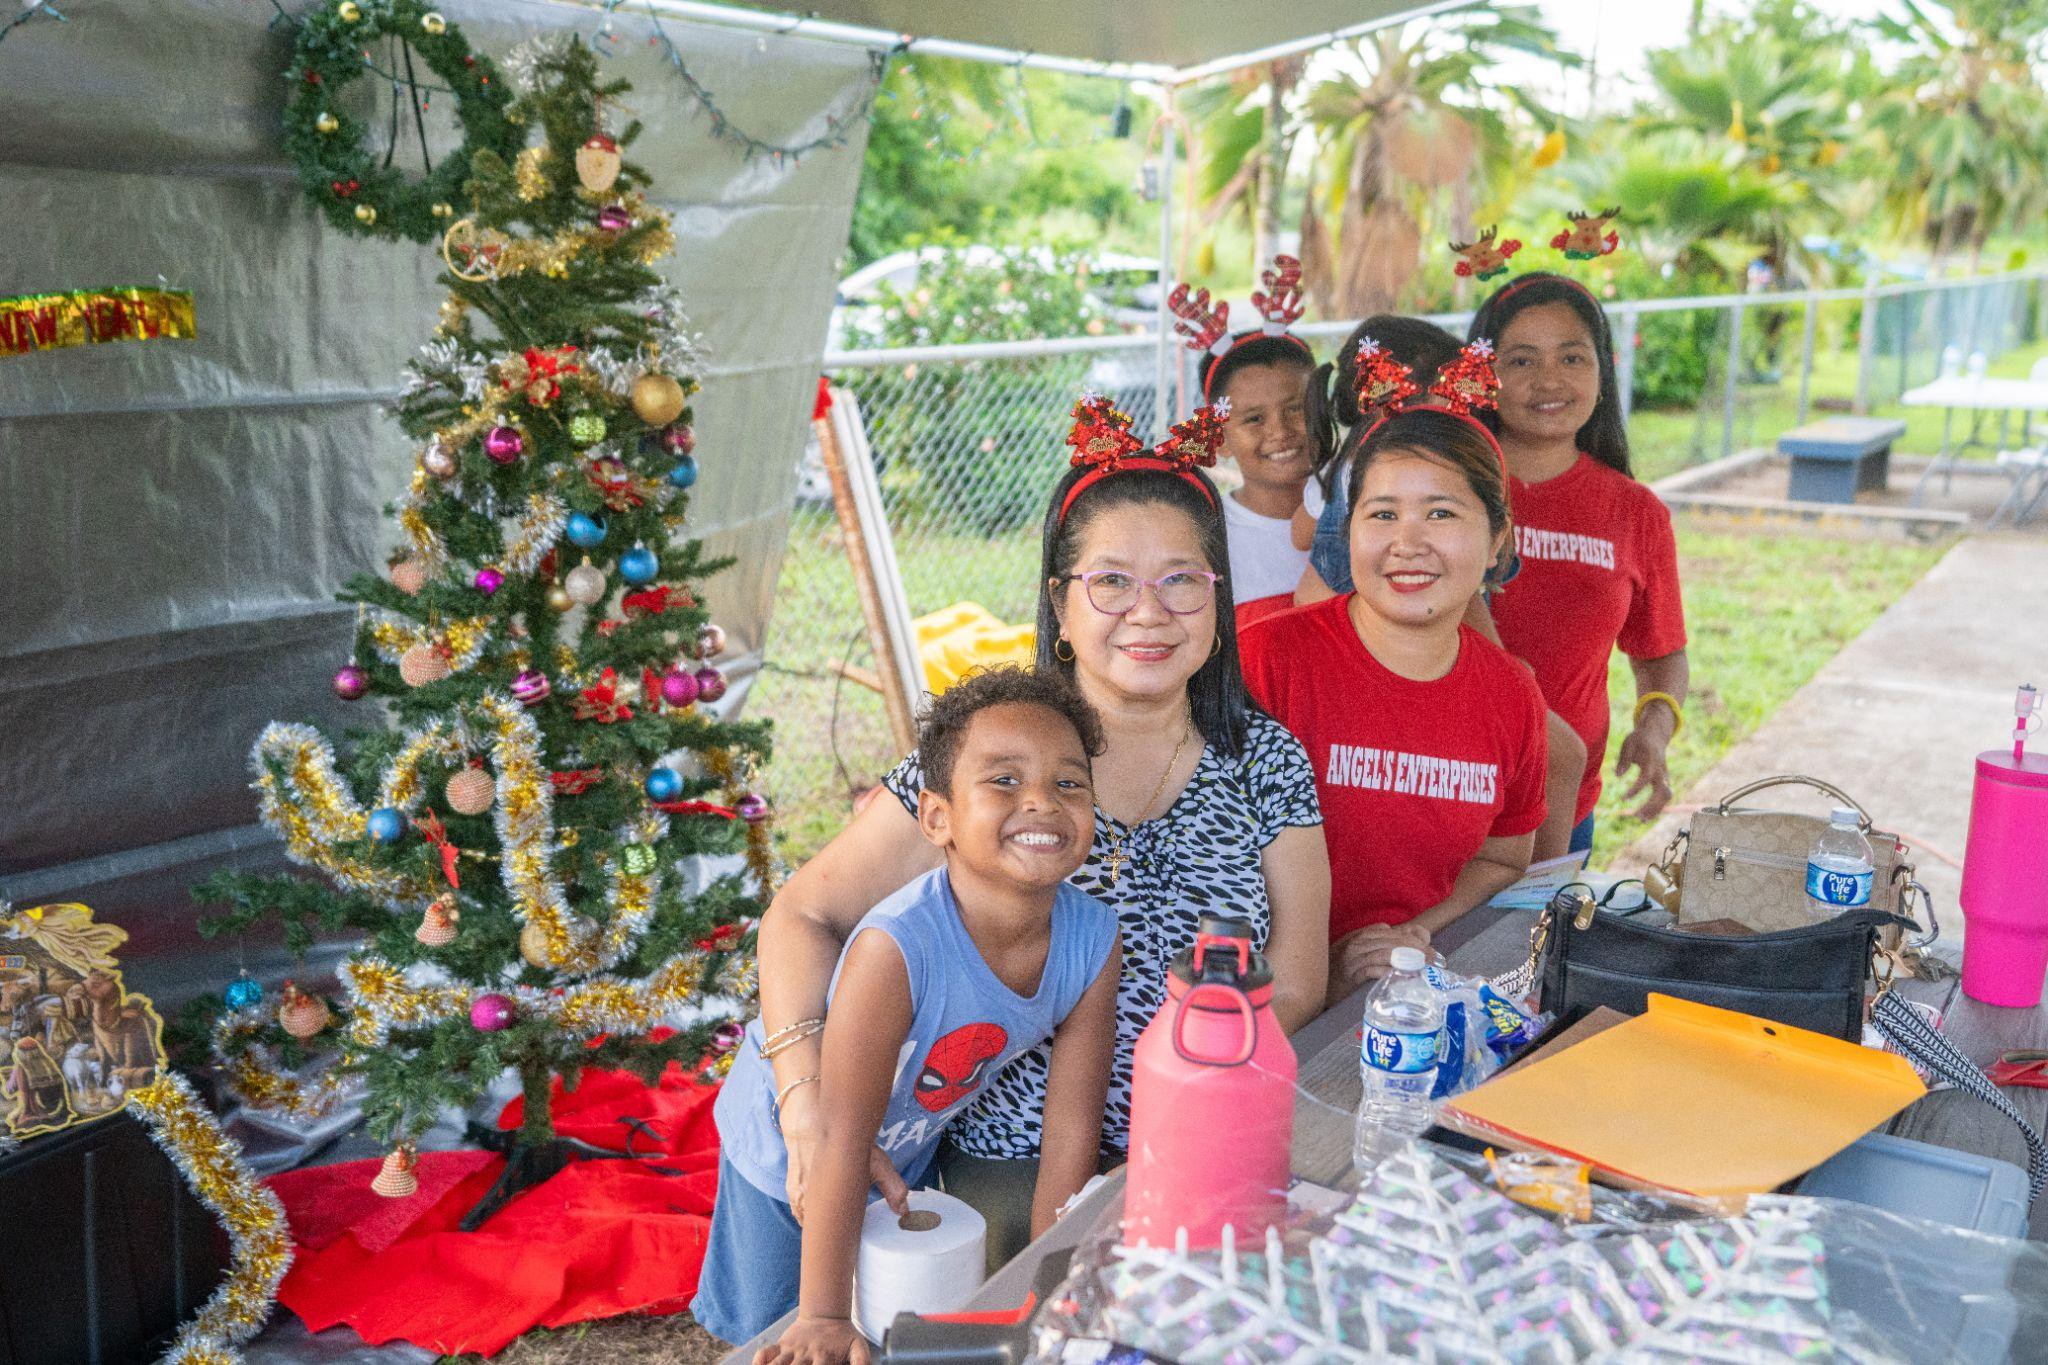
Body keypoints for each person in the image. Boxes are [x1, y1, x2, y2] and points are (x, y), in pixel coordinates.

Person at [757, 395, 1329, 1272]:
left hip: (1205, 1132)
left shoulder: (1267, 758)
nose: (1149, 610)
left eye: (1182, 579)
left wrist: (1183, 1110)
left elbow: (1297, 977)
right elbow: (803, 915)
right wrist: (808, 1109)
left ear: (1219, 604)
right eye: (1111, 581)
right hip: (1001, 1159)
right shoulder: (995, 761)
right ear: (1060, 605)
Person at [693, 668, 1122, 1359]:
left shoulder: (1093, 940)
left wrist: (1053, 1288)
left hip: (907, 1143)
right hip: (793, 1146)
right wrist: (826, 1316)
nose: (1042, 800)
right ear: (935, 817)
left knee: (892, 1314)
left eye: (1069, 783)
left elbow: (1070, 1135)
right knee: (780, 1329)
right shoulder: (896, 947)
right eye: (1004, 781)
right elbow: (836, 1135)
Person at [1241, 355, 1549, 1006]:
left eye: (1440, 514)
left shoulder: (1512, 696)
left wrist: (1406, 935)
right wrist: (1317, 966)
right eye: (1381, 514)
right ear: (1345, 532)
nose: (1407, 542)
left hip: (1402, 1003)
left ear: (1497, 539)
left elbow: (1503, 857)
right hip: (1252, 1008)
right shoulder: (1263, 662)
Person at [1295, 319, 1588, 861]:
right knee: (1562, 753)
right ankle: (1542, 905)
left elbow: (1303, 535)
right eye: (1444, 395)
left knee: (1555, 750)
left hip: (1433, 628)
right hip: (1381, 639)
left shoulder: (1367, 462)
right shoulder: (1377, 465)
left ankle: (1538, 898)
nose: (1455, 415)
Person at [1468, 273, 1689, 853]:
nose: (1549, 381)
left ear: (1602, 371)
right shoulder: (1446, 488)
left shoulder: (1636, 511)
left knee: (1536, 947)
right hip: (1443, 794)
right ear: (1481, 373)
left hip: (1564, 808)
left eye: (1572, 357)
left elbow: (1661, 654)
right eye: (1519, 361)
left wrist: (1654, 727)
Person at [1172, 257, 1318, 628]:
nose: (1280, 431)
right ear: (1219, 437)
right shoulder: (1207, 540)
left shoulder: (1364, 505)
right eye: (1254, 419)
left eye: (1297, 408)